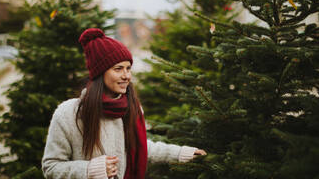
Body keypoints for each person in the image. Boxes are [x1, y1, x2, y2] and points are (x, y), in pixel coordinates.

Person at [42, 28, 207, 179]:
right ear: (100, 73)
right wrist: (89, 170)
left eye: (128, 68)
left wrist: (181, 153)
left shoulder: (132, 108)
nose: (126, 76)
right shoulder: (68, 113)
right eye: (118, 69)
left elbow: (141, 146)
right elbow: (51, 167)